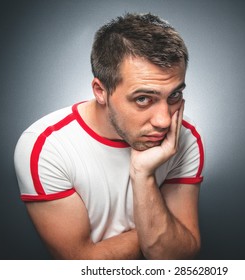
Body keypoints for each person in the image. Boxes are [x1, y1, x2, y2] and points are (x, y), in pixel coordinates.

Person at [14, 13, 204, 260]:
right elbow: (81, 265)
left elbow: (177, 258)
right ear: (100, 91)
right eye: (143, 99)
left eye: (174, 96)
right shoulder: (46, 147)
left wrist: (143, 175)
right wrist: (158, 229)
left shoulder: (185, 137)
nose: (165, 120)